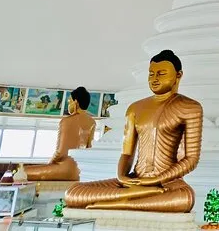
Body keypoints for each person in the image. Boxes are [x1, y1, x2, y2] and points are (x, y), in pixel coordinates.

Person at [65, 50, 203, 212]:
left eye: (161, 73)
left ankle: (122, 202)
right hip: (135, 180)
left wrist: (157, 179)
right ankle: (137, 195)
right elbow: (127, 153)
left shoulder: (190, 107)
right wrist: (122, 177)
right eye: (151, 74)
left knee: (185, 198)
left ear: (178, 75)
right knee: (73, 193)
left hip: (167, 183)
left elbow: (191, 159)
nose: (154, 79)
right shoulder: (135, 108)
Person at [24, 87, 96, 181]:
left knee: (23, 172)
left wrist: (50, 164)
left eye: (69, 101)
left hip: (64, 169)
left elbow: (60, 152)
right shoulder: (92, 122)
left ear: (76, 102)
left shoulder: (66, 121)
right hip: (80, 171)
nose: (68, 104)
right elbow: (89, 149)